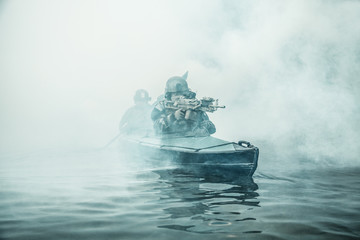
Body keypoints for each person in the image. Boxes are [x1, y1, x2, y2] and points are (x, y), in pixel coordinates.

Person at [151, 72, 216, 137]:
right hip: (169, 142)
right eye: (176, 94)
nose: (180, 97)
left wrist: (197, 120)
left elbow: (212, 129)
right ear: (169, 95)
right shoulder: (162, 106)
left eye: (182, 94)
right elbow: (156, 128)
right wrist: (173, 117)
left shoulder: (193, 105)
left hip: (192, 142)